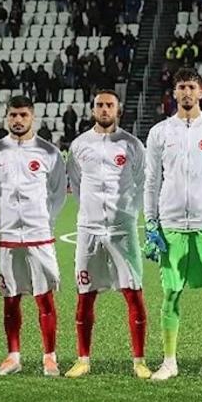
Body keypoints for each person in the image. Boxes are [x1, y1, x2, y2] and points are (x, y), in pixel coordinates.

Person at [144, 67, 202, 381]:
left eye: (191, 87)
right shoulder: (160, 132)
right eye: (181, 86)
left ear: (201, 92)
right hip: (170, 225)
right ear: (174, 92)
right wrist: (150, 224)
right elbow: (151, 181)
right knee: (171, 294)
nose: (186, 92)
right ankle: (169, 362)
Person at [64, 90, 151, 379]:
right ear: (92, 110)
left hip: (122, 230)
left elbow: (142, 182)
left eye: (109, 105)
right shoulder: (80, 145)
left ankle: (139, 361)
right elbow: (76, 182)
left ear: (118, 109)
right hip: (88, 229)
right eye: (100, 105)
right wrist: (89, 212)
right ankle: (83, 359)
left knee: (133, 293)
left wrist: (129, 213)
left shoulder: (132, 144)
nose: (104, 109)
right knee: (85, 294)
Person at [0, 96, 66, 377]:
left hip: (39, 235)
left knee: (44, 297)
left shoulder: (49, 152)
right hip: (7, 234)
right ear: (6, 117)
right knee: (10, 297)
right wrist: (7, 214)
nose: (18, 120)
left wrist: (44, 220)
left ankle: (50, 357)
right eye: (13, 115)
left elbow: (57, 193)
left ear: (33, 117)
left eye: (23, 115)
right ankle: (13, 357)